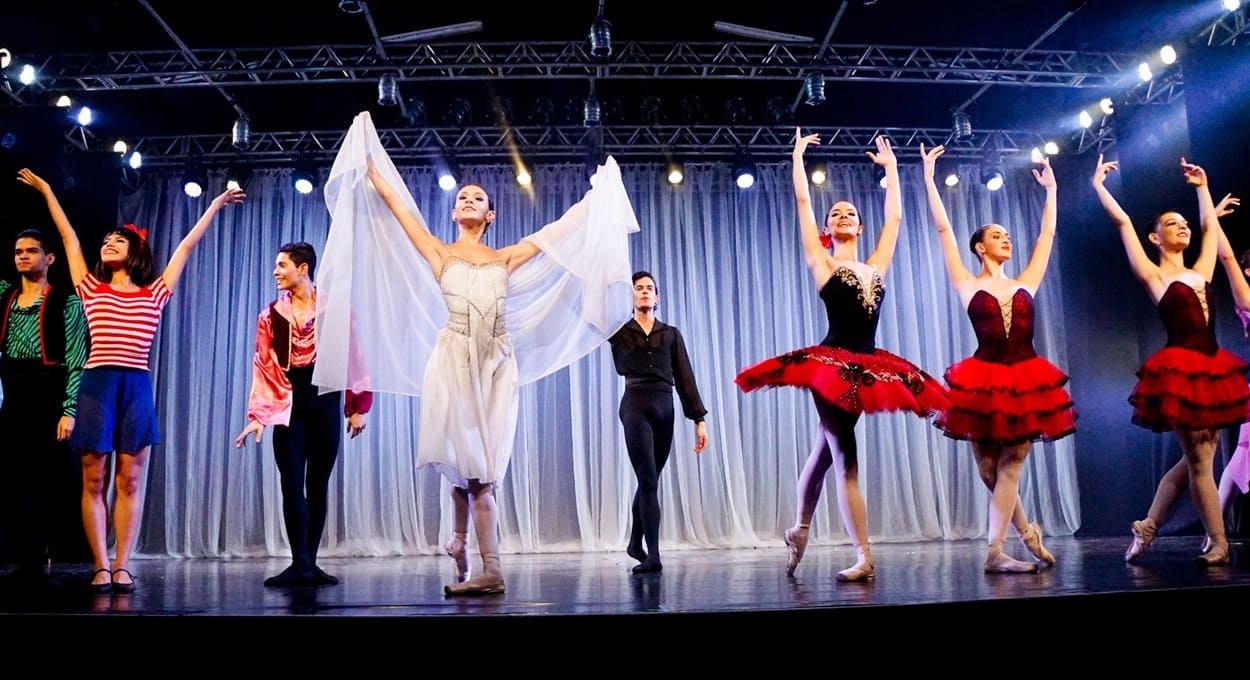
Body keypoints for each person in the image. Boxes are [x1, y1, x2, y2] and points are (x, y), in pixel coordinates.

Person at [314, 112, 638, 596]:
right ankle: (490, 568)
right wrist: (370, 164)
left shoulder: (504, 257)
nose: (467, 200)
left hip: (495, 365)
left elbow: (557, 231)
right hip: (454, 361)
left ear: (489, 216)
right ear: (453, 213)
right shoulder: (439, 253)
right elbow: (399, 207)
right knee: (473, 469)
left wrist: (596, 200)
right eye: (461, 197)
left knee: (476, 464)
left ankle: (463, 543)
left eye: (478, 198)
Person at [736, 128, 951, 582]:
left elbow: (894, 221)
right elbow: (801, 204)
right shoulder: (823, 262)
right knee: (845, 453)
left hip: (870, 366)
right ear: (829, 229)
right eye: (836, 212)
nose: (844, 214)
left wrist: (892, 170)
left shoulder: (876, 266)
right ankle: (864, 555)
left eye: (851, 211)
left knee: (822, 454)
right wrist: (795, 155)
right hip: (831, 367)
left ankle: (798, 530)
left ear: (860, 224)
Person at [17, 167, 244, 593]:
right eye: (105, 240)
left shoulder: (154, 292)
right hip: (97, 385)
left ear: (136, 251)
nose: (108, 243)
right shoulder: (89, 288)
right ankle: (101, 564)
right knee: (93, 478)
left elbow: (187, 246)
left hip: (136, 386)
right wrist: (48, 190)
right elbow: (68, 237)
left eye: (117, 240)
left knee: (130, 479)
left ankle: (122, 564)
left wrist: (214, 206)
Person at [921, 144, 1076, 574]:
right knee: (990, 471)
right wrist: (930, 181)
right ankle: (1027, 534)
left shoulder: (1028, 280)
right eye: (996, 235)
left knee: (1013, 461)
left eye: (1007, 235)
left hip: (1026, 379)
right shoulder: (967, 283)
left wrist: (1052, 191)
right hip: (982, 380)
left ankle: (995, 554)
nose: (1006, 239)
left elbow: (1046, 236)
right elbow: (943, 233)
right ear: (979, 247)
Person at [1092, 154, 1249, 566]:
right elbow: (1124, 223)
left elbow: (1210, 230)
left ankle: (1148, 526)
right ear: (1155, 239)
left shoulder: (1202, 270)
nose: (1182, 227)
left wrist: (1202, 189)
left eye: (1185, 223)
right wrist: (1098, 187)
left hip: (1212, 366)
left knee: (1196, 458)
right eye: (1171, 223)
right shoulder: (1154, 275)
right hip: (1179, 371)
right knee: (1200, 458)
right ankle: (1217, 541)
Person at [233, 242, 372, 587]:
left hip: (324, 398)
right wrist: (260, 414)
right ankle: (300, 562)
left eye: (282, 265)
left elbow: (354, 356)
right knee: (292, 484)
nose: (276, 272)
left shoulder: (334, 311)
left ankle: (310, 562)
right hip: (289, 401)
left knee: (318, 485)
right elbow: (263, 365)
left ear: (303, 268)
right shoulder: (270, 315)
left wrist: (357, 407)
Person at [0, 229, 88, 589]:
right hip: (15, 390)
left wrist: (69, 410)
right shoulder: (6, 297)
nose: (22, 256)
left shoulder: (66, 303)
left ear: (49, 258)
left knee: (46, 480)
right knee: (15, 479)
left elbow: (77, 359)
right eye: (18, 251)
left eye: (31, 251)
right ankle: (27, 559)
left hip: (48, 390)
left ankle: (47, 554)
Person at [609, 270, 708, 574]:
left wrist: (699, 421)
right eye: (639, 288)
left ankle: (635, 542)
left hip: (664, 406)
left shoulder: (671, 333)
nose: (644, 292)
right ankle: (653, 555)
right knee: (648, 478)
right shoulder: (619, 331)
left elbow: (685, 376)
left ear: (657, 297)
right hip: (635, 404)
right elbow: (596, 324)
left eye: (650, 288)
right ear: (632, 296)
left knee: (649, 480)